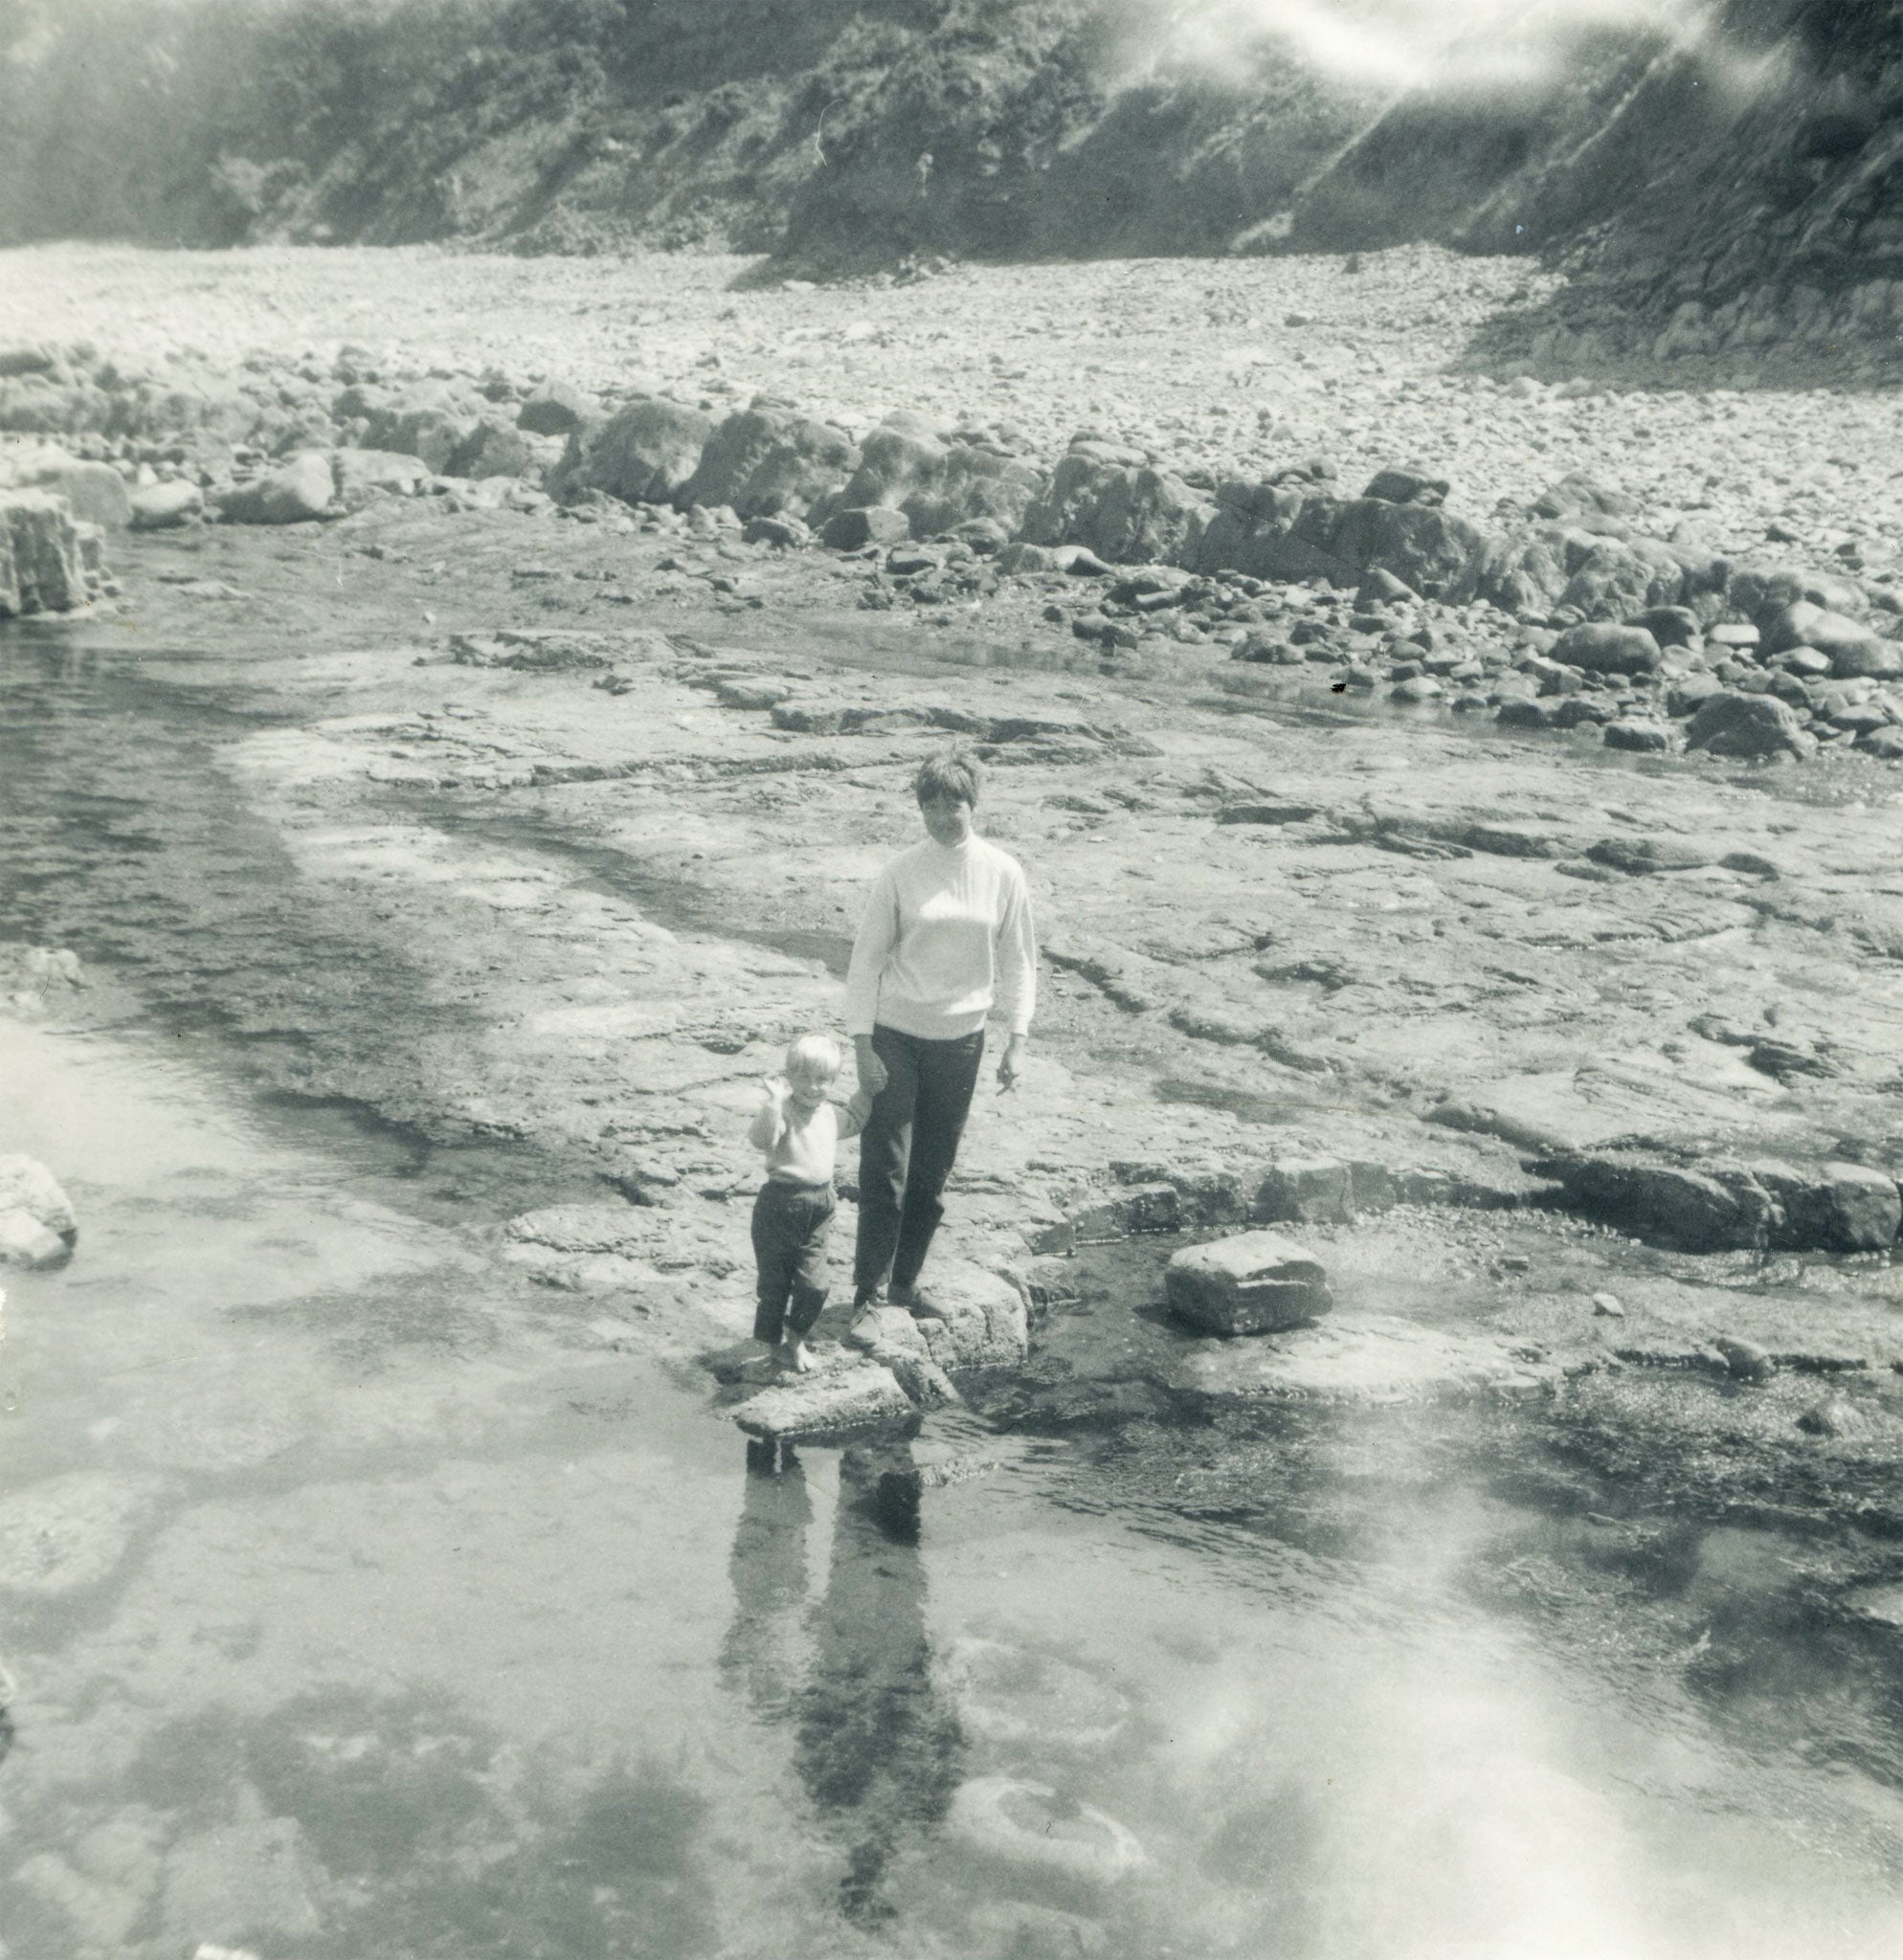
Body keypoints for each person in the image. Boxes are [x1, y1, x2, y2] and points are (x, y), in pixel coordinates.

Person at [843, 747, 1037, 1321]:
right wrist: (861, 1044)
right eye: (931, 804)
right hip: (895, 1034)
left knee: (932, 1172)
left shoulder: (1003, 871)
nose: (943, 814)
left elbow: (1020, 959)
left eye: (954, 802)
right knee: (886, 1168)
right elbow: (865, 962)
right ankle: (868, 1292)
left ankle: (906, 1284)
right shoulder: (899, 873)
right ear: (919, 808)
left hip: (962, 1041)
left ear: (972, 804)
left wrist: (1017, 1038)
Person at [748, 1033, 871, 1372]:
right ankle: (775, 1346)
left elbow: (857, 1120)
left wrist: (869, 1089)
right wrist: (772, 1103)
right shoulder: (783, 1109)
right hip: (779, 1204)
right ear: (789, 1076)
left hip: (819, 1206)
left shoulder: (830, 1114)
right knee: (774, 1284)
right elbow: (761, 1139)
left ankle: (797, 1336)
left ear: (832, 1081)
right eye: (804, 1077)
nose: (813, 1087)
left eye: (823, 1080)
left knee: (815, 1284)